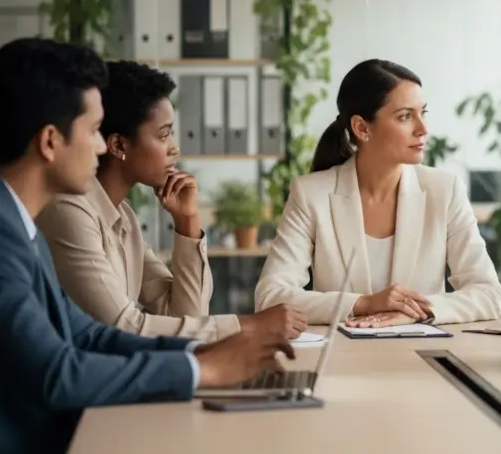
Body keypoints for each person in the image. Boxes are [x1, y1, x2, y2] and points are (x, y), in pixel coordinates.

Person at [0, 38, 293, 453]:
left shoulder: (20, 225)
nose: (101, 146)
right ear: (50, 141)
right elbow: (58, 373)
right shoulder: (11, 232)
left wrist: (207, 351)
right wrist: (200, 368)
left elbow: (89, 336)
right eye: (93, 131)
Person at [35, 60, 306, 342]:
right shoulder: (70, 211)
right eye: (163, 135)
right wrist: (248, 325)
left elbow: (185, 316)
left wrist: (187, 222)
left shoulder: (123, 217)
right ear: (118, 145)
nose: (174, 147)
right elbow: (123, 327)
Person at [254, 59, 501, 327]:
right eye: (405, 116)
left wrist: (416, 312)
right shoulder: (311, 194)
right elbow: (270, 297)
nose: (423, 129)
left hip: (421, 357)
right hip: (342, 358)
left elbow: (488, 293)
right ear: (362, 128)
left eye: (423, 113)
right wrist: (363, 303)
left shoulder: (444, 190)